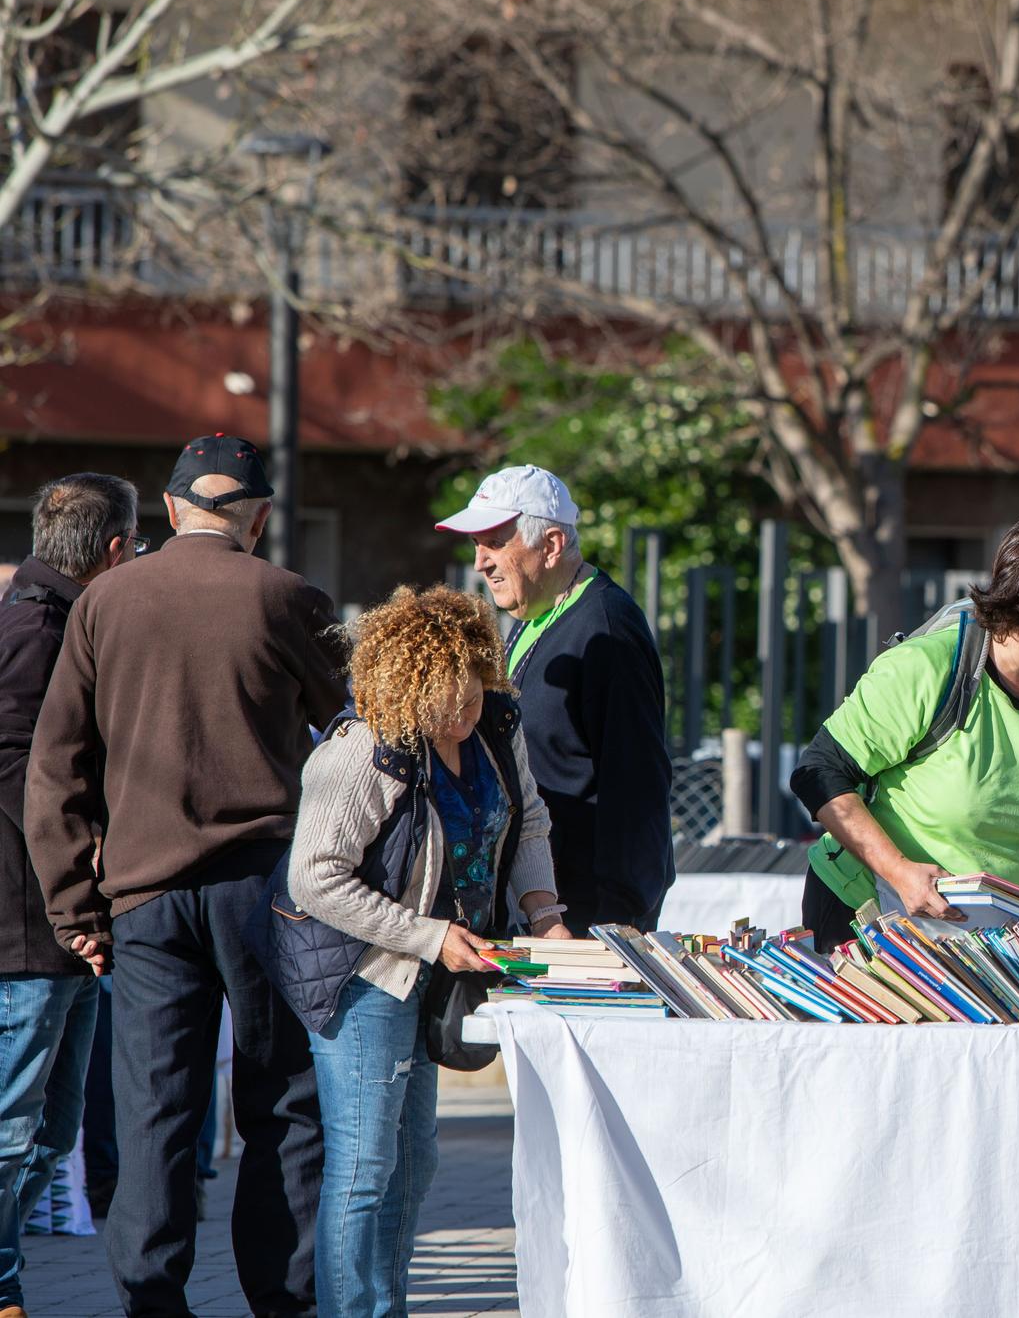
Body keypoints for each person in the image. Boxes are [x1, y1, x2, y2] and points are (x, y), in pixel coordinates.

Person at [25, 435, 346, 1317]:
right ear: (261, 516)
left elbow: (57, 766)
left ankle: (152, 1299)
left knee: (155, 1109)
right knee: (281, 1101)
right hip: (267, 892)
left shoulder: (106, 602)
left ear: (169, 510)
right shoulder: (289, 598)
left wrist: (74, 906)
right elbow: (355, 729)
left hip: (144, 894)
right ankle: (284, 1299)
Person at [280, 586, 572, 1317]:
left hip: (433, 968)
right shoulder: (362, 751)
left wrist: (546, 912)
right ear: (406, 690)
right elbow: (313, 877)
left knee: (415, 1161)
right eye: (447, 703)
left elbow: (529, 820)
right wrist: (430, 935)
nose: (463, 716)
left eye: (473, 696)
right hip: (360, 973)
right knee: (364, 1164)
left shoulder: (497, 727)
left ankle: (390, 1306)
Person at [789, 517, 1019, 958]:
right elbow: (819, 771)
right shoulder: (927, 668)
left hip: (1003, 943)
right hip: (874, 914)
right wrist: (899, 871)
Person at [0, 474, 141, 1315]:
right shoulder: (37, 632)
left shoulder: (49, 619)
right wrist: (74, 892)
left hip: (53, 925)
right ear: (116, 549)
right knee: (18, 1126)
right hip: (31, 926)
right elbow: (24, 773)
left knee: (49, 1130)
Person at [435, 465, 674, 932]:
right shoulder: (535, 611)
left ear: (551, 545)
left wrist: (618, 923)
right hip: (532, 900)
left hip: (583, 912)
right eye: (476, 544)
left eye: (496, 541)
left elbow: (638, 787)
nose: (481, 561)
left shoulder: (606, 628)